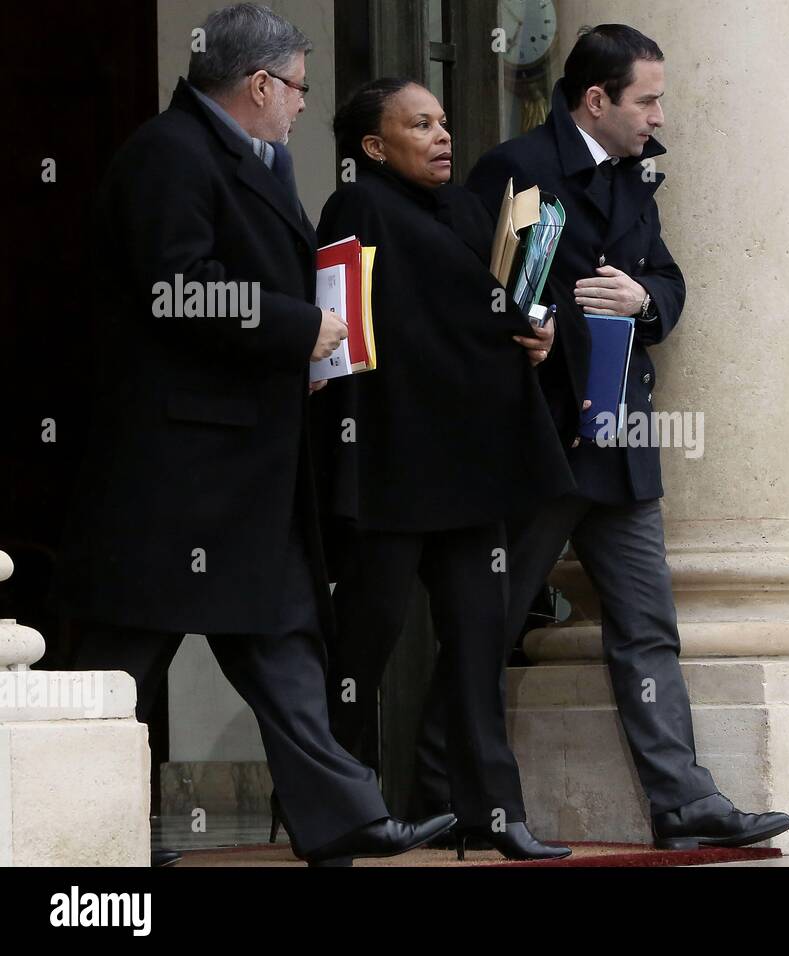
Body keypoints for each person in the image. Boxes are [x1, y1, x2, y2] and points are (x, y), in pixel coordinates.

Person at [57, 3, 452, 867]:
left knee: (284, 641)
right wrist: (294, 327)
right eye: (300, 88)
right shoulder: (168, 154)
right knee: (123, 658)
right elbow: (177, 287)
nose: (306, 105)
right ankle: (46, 808)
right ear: (260, 84)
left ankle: (345, 814)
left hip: (246, 466)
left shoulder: (250, 156)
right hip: (184, 469)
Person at [415, 24, 789, 850]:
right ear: (597, 100)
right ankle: (441, 791)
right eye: (647, 99)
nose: (659, 116)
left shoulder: (634, 176)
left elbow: (667, 279)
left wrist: (642, 299)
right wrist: (549, 323)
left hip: (618, 433)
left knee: (647, 626)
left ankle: (684, 803)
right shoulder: (515, 168)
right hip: (538, 440)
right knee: (491, 621)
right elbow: (477, 298)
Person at [313, 78, 574, 860]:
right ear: (372, 146)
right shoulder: (353, 208)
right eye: (419, 123)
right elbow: (341, 341)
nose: (441, 135)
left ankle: (495, 813)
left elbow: (497, 306)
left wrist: (539, 328)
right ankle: (338, 812)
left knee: (478, 642)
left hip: (472, 464)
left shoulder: (466, 209)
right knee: (365, 646)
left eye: (444, 120)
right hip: (393, 464)